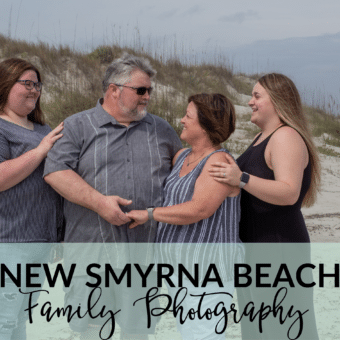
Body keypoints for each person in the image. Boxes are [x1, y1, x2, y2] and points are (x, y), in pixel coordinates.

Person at [43, 53, 182, 340]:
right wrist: (100, 203)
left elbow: (186, 171)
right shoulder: (78, 126)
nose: (147, 97)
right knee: (92, 330)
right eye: (141, 90)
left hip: (144, 255)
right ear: (113, 90)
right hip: (91, 251)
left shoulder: (162, 129)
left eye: (149, 91)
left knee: (138, 331)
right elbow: (55, 172)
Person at [209, 73, 320, 339]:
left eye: (257, 96)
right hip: (255, 248)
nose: (250, 102)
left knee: (283, 328)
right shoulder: (262, 137)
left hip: (278, 248)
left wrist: (242, 178)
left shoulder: (286, 136)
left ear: (277, 101)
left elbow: (289, 192)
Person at [127, 93, 244, 340]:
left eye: (188, 116)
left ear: (206, 124)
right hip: (179, 269)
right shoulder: (182, 157)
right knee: (189, 332)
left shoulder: (219, 161)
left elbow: (200, 209)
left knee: (203, 335)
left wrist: (150, 214)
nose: (181, 120)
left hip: (206, 271)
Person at [0, 58, 64, 340]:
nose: (34, 90)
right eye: (26, 83)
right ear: (5, 84)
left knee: (18, 322)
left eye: (37, 84)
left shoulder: (42, 130)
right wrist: (41, 151)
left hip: (41, 243)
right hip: (9, 243)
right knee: (4, 322)